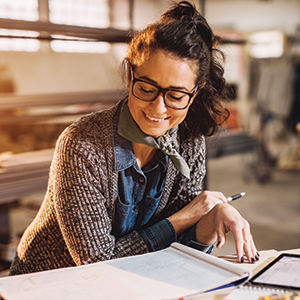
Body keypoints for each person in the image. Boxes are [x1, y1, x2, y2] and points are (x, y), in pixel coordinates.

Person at [9, 1, 259, 276]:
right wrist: (184, 217)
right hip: (45, 285)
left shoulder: (189, 143)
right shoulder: (81, 146)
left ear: (195, 93)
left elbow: (177, 249)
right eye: (147, 88)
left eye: (176, 96)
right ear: (130, 76)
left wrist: (210, 222)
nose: (158, 108)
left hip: (129, 282)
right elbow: (98, 264)